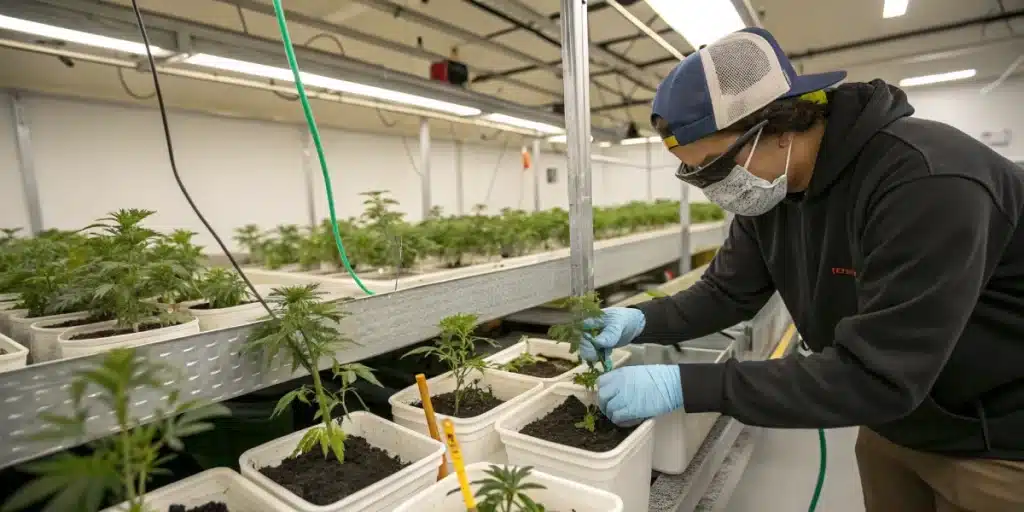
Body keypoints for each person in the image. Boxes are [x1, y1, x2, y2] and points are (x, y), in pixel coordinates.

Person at [587, 27, 1024, 511]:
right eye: (695, 173)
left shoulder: (926, 181)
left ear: (777, 125)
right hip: (895, 423)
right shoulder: (770, 190)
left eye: (714, 166)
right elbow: (726, 293)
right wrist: (638, 320)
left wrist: (684, 386)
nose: (713, 188)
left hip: (995, 443)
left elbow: (879, 375)